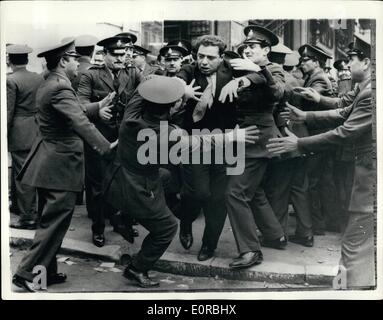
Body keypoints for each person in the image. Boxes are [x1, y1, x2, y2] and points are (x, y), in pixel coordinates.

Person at [103, 76, 259, 288]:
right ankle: (137, 268)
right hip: (138, 187)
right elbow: (200, 140)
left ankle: (126, 214)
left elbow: (141, 92)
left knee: (167, 179)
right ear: (171, 107)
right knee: (167, 228)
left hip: (117, 177)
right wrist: (232, 136)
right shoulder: (166, 133)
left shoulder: (130, 117)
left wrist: (174, 92)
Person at [267, 32, 375, 288]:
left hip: (368, 180)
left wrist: (299, 142)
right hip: (364, 176)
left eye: (351, 60)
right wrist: (306, 117)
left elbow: (345, 131)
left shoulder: (371, 92)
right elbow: (344, 110)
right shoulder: (368, 87)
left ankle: (347, 290)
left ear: (367, 62)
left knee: (353, 248)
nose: (347, 66)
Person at [12, 39, 117, 292]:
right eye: (74, 60)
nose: (77, 65)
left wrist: (97, 105)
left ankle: (45, 273)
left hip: (49, 162)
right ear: (63, 61)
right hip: (60, 165)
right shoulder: (60, 86)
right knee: (54, 222)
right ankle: (27, 273)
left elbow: (75, 109)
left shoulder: (50, 83)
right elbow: (79, 122)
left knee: (53, 219)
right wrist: (105, 147)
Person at [175, 35, 263, 261]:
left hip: (226, 144)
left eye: (210, 58)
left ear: (222, 57)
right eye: (200, 56)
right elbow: (176, 80)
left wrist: (241, 81)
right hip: (194, 143)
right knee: (197, 193)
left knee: (218, 198)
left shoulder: (231, 69)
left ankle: (209, 245)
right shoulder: (189, 69)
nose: (204, 61)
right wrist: (181, 90)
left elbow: (261, 76)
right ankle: (185, 222)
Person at [222, 25, 287, 268]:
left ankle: (250, 251)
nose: (247, 50)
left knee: (234, 193)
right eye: (245, 46)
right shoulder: (242, 68)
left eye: (253, 46)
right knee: (254, 191)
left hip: (258, 141)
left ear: (266, 50)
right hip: (244, 139)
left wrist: (258, 70)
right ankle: (275, 234)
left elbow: (278, 92)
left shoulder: (274, 69)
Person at [77, 35, 143, 247]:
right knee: (97, 186)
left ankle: (122, 222)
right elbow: (80, 106)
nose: (120, 58)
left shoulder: (132, 72)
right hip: (99, 138)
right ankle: (98, 229)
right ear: (104, 55)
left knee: (125, 182)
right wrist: (98, 111)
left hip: (125, 137)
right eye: (115, 55)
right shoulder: (91, 75)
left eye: (123, 54)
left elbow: (145, 93)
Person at [262, 42, 314, 246]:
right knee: (300, 189)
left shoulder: (277, 82)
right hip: (300, 138)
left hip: (283, 138)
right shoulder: (296, 80)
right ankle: (306, 233)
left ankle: (278, 234)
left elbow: (273, 110)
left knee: (279, 188)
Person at [291, 44, 340, 236]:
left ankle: (317, 224)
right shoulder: (313, 77)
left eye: (305, 60)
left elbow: (312, 97)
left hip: (318, 135)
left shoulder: (319, 78)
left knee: (312, 181)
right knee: (323, 180)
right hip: (322, 135)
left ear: (316, 62)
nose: (302, 63)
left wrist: (292, 89)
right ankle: (330, 222)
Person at [7, 44, 44, 230]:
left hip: (20, 132)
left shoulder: (10, 80)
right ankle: (20, 208)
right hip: (37, 129)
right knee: (31, 171)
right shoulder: (38, 78)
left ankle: (28, 217)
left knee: (22, 176)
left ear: (9, 60)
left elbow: (8, 112)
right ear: (27, 60)